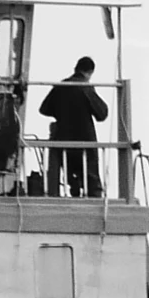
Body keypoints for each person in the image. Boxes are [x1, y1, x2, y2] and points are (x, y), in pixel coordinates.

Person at [39, 55, 110, 197]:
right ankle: (94, 199)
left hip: (63, 141)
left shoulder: (61, 86)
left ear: (76, 68)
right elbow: (102, 114)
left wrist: (61, 113)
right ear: (90, 72)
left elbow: (44, 109)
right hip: (85, 142)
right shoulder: (85, 87)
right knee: (90, 178)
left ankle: (72, 190)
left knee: (71, 176)